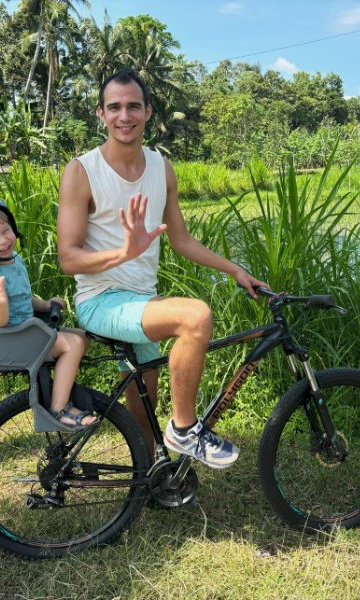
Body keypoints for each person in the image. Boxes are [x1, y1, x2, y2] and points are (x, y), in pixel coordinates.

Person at [57, 69, 267, 468]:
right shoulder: (81, 171)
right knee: (194, 316)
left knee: (144, 403)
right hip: (100, 301)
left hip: (141, 301)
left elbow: (181, 240)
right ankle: (185, 429)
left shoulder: (161, 168)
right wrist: (124, 250)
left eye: (133, 106)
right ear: (101, 114)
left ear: (148, 111)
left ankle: (151, 468)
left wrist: (234, 269)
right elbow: (68, 259)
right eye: (114, 107)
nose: (124, 115)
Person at [0, 196, 96, 428]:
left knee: (83, 338)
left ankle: (57, 389)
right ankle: (59, 408)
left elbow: (22, 297)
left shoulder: (11, 261)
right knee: (73, 345)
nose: (2, 240)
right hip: (12, 338)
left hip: (27, 330)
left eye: (5, 230)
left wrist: (44, 304)